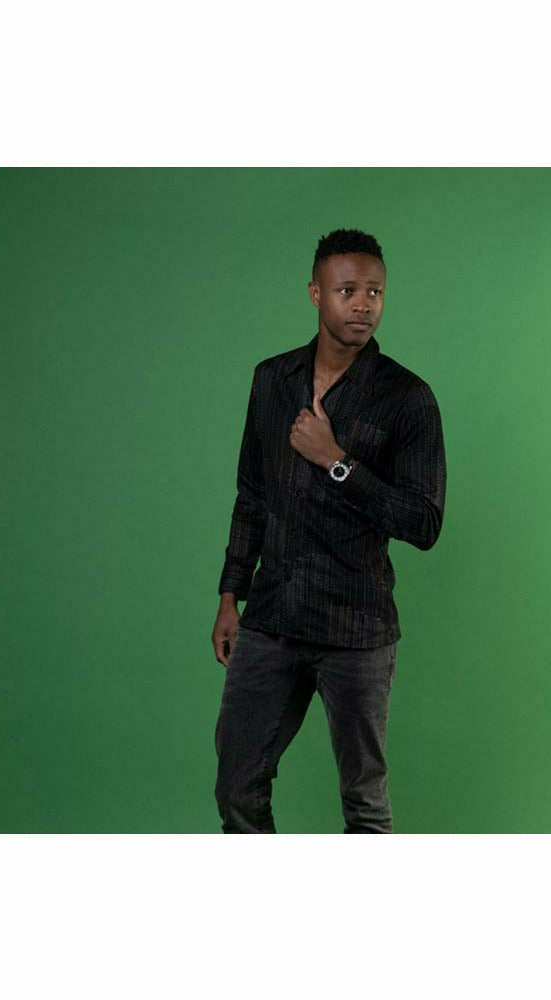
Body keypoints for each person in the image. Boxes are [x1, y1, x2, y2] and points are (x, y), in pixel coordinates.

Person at [211, 227, 447, 833]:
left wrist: (337, 461)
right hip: (272, 617)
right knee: (237, 783)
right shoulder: (272, 380)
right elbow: (252, 494)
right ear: (316, 293)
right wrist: (231, 594)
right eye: (347, 291)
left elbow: (423, 522)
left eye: (375, 291)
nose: (363, 304)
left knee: (363, 801)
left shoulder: (407, 398)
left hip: (356, 627)